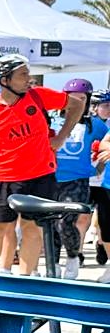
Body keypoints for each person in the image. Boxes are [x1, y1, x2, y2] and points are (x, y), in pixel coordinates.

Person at [0, 54, 85, 275]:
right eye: (23, 74)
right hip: (5, 177)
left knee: (31, 229)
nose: (28, 78)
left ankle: (25, 283)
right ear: (5, 80)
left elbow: (77, 105)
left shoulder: (38, 96)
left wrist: (62, 136)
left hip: (41, 175)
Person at [51, 78, 104, 278]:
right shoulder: (53, 120)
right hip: (52, 178)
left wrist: (100, 165)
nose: (77, 103)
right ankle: (53, 263)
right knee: (52, 224)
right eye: (73, 98)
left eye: (82, 99)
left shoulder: (94, 124)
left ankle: (73, 257)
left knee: (66, 223)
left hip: (78, 180)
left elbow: (107, 141)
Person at [89, 90, 110, 270]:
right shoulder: (89, 124)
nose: (109, 109)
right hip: (92, 175)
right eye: (106, 106)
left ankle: (101, 241)